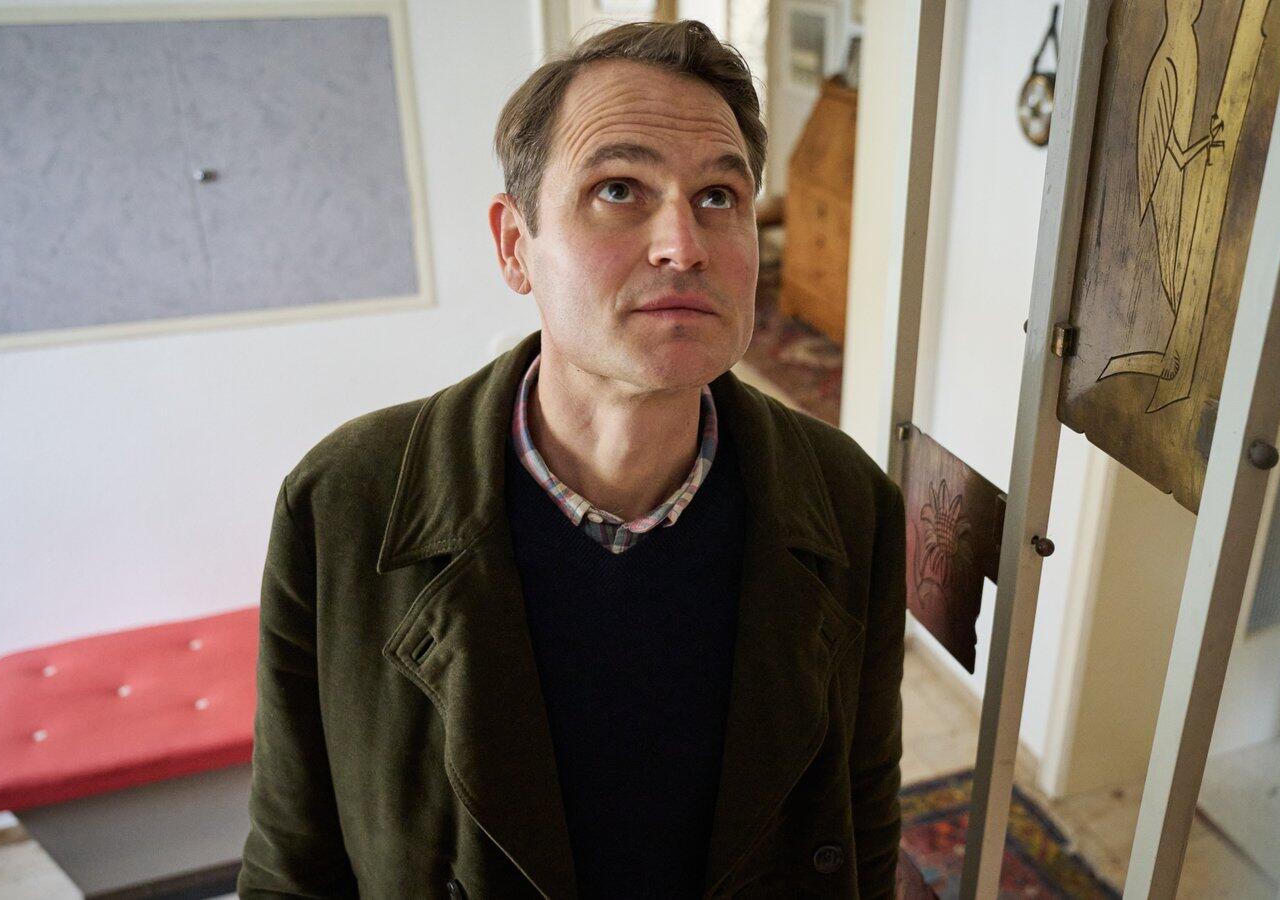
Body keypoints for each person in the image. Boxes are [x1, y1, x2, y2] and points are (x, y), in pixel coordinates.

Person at [238, 19, 906, 900]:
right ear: (515, 246)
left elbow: (861, 817)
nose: (684, 245)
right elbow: (292, 856)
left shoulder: (850, 499)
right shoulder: (342, 502)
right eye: (618, 189)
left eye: (719, 196)